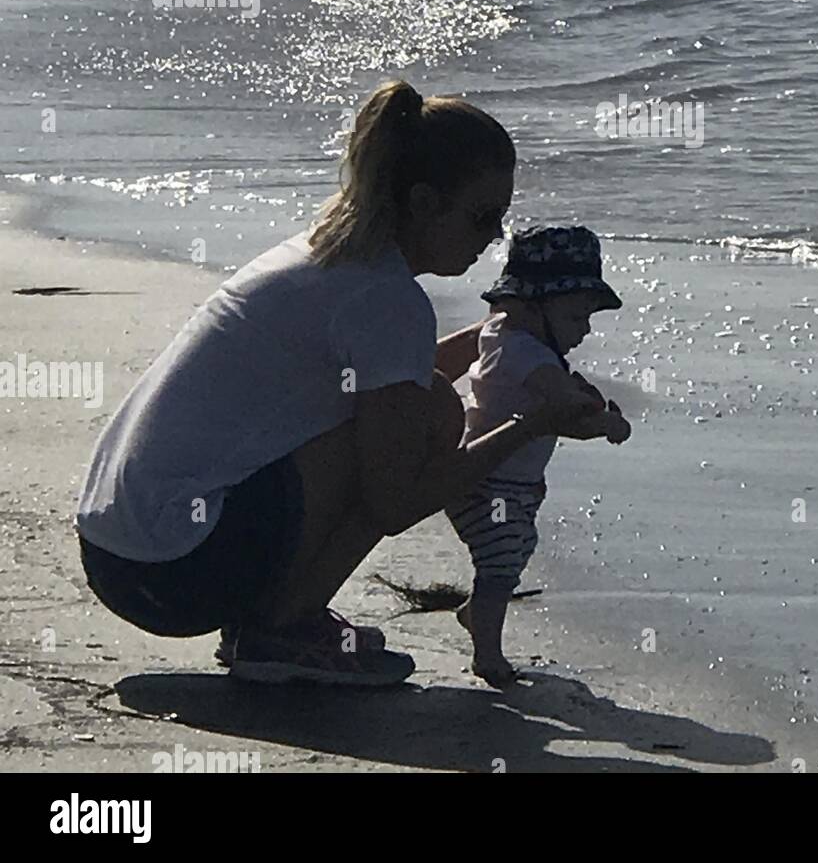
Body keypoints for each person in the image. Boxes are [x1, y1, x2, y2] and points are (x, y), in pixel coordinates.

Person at [75, 79, 614, 687]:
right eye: (483, 216)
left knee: (415, 400)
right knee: (436, 412)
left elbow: (387, 377)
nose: (495, 236)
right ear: (423, 203)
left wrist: (501, 332)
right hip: (173, 572)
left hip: (121, 551)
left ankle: (275, 613)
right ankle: (280, 627)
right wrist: (534, 422)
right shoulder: (386, 299)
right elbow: (398, 499)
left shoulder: (325, 254)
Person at [446, 225, 631, 686]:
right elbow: (566, 409)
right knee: (500, 561)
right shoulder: (525, 354)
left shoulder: (505, 335)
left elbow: (562, 391)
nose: (584, 329)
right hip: (490, 482)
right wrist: (608, 423)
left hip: (505, 479)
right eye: (574, 317)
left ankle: (477, 615)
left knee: (515, 549)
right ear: (530, 308)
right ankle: (487, 652)